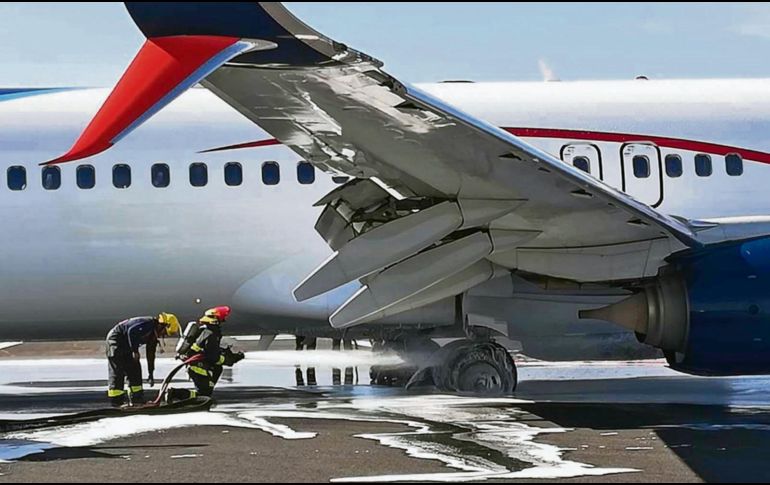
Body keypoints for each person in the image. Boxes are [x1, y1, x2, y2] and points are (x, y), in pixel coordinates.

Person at [168, 306, 244, 402]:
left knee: (205, 392)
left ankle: (179, 395)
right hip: (199, 367)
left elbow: (208, 350)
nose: (221, 323)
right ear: (215, 320)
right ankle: (175, 394)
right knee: (204, 394)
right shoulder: (211, 334)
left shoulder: (205, 331)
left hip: (197, 364)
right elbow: (213, 357)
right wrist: (230, 359)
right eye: (221, 320)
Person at [106, 313, 180, 407]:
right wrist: (135, 351)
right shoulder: (147, 324)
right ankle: (116, 402)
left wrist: (151, 373)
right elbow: (131, 332)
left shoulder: (153, 335)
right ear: (162, 325)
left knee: (135, 370)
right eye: (164, 332)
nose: (163, 335)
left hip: (127, 345)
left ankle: (137, 400)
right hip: (115, 341)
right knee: (118, 371)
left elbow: (150, 354)